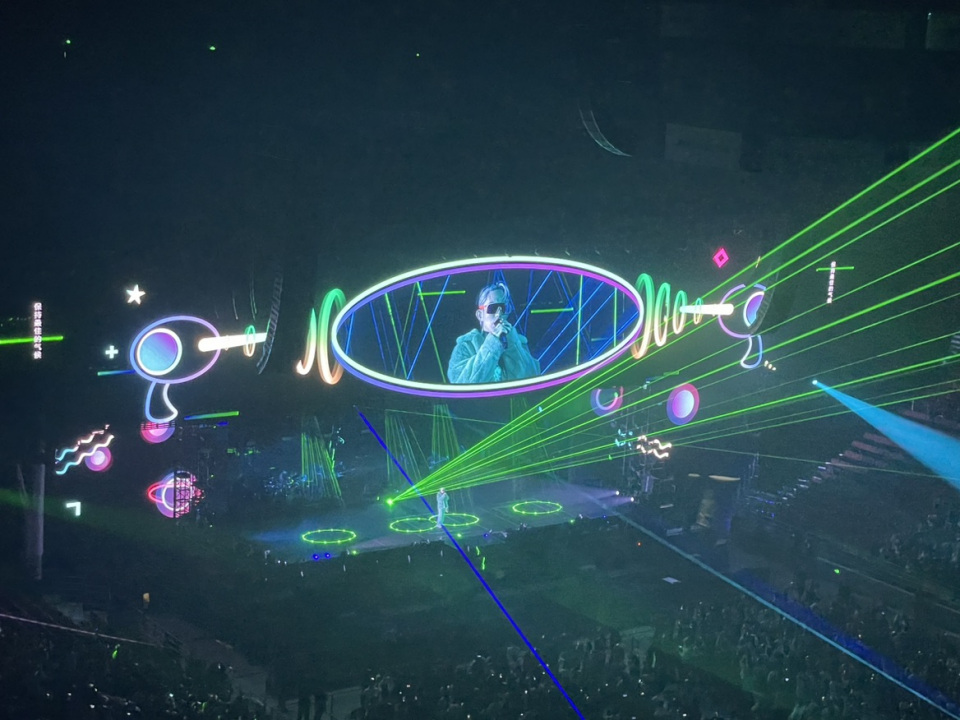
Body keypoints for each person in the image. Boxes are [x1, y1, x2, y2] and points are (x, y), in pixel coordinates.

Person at [448, 281, 540, 384]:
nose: (499, 314)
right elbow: (462, 383)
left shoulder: (518, 343)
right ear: (480, 315)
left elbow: (532, 378)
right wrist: (492, 344)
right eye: (493, 308)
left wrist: (512, 344)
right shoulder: (466, 345)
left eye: (503, 307)